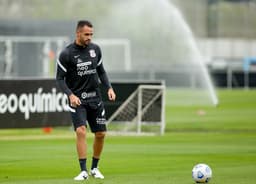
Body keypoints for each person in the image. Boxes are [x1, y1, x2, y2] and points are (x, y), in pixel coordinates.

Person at [56, 20, 116, 180]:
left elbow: (101, 72)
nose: (89, 37)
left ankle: (94, 168)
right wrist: (70, 95)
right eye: (86, 34)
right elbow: (60, 79)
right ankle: (83, 171)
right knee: (81, 131)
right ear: (78, 33)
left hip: (95, 99)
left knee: (101, 133)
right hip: (78, 101)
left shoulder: (95, 50)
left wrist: (109, 87)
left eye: (91, 34)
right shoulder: (66, 54)